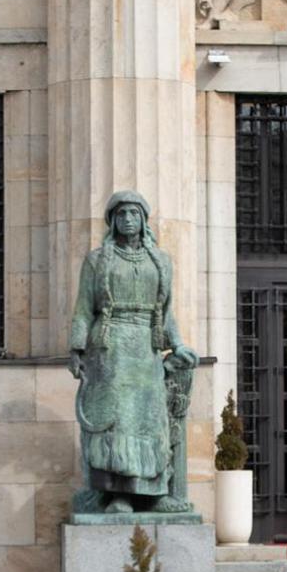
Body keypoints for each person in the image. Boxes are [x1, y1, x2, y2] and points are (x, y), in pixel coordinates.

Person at [67, 191, 198, 514]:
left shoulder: (161, 261)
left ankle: (153, 494)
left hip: (146, 348)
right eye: (122, 214)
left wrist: (178, 344)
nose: (128, 219)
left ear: (144, 219)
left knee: (150, 421)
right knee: (116, 421)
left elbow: (165, 312)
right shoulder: (97, 260)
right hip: (109, 349)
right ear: (113, 221)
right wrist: (76, 349)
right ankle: (118, 495)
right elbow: (83, 309)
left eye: (134, 213)